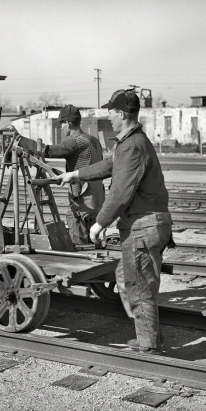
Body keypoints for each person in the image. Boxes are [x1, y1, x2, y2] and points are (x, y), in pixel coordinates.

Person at [56, 89, 174, 354]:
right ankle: (151, 334)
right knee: (126, 275)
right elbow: (108, 166)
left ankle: (148, 346)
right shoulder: (130, 143)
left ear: (121, 114)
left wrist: (99, 223)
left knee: (138, 285)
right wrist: (75, 174)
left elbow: (120, 191)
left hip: (143, 225)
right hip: (149, 223)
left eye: (110, 112)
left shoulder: (132, 145)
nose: (108, 116)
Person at [9, 104, 105, 245]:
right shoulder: (93, 140)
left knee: (78, 238)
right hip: (97, 197)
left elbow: (49, 151)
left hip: (83, 200)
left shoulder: (76, 142)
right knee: (93, 238)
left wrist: (20, 139)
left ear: (69, 123)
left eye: (62, 124)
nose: (61, 127)